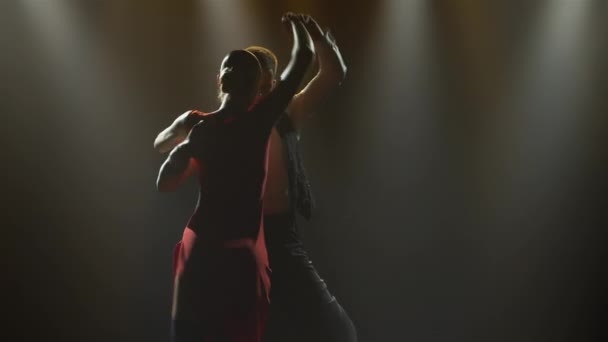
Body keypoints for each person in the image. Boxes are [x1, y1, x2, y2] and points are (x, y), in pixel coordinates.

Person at [156, 13, 314, 342]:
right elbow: (303, 58)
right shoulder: (211, 126)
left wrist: (183, 143)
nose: (232, 71)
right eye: (230, 65)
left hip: (225, 250)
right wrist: (299, 26)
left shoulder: (228, 124)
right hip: (219, 248)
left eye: (239, 68)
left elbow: (165, 173)